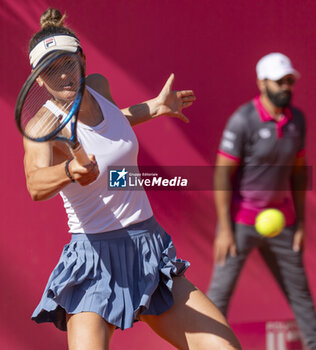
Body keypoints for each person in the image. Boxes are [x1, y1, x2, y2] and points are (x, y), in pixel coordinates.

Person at [23, 8, 242, 350]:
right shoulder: (41, 127)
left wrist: (153, 107)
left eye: (67, 63)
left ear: (82, 59)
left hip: (147, 247)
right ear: (38, 81)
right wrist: (69, 171)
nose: (63, 76)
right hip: (93, 260)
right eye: (49, 71)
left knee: (224, 348)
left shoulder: (98, 86)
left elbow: (113, 124)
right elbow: (35, 183)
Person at [207, 52, 316, 349]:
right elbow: (221, 175)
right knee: (218, 299)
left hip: (283, 224)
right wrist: (225, 230)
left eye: (290, 81)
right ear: (262, 82)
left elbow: (298, 174)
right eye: (280, 81)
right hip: (240, 224)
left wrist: (303, 224)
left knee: (302, 297)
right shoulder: (243, 120)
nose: (286, 87)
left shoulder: (298, 121)